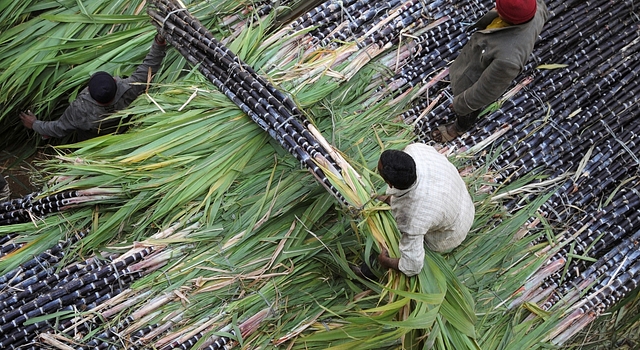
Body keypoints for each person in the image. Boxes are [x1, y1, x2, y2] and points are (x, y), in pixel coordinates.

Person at [431, 0, 549, 142]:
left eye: (499, 8)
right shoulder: (536, 6)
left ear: (508, 18)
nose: (495, 8)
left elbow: (485, 91)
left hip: (474, 79)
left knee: (470, 108)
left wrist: (461, 104)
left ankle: (460, 127)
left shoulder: (508, 59)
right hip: (488, 47)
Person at [20, 32, 168, 141]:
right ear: (116, 82)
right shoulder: (129, 89)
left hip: (91, 143)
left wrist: (35, 124)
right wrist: (159, 44)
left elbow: (59, 128)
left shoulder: (81, 109)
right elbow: (148, 69)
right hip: (121, 136)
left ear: (89, 91)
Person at [373, 143, 475, 277]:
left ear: (390, 184)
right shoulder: (416, 150)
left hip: (454, 230)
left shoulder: (412, 217)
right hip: (460, 199)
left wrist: (386, 261)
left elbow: (412, 266)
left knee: (400, 241)